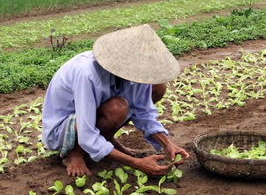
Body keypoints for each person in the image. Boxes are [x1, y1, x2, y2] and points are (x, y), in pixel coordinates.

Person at [41, 24, 190, 177]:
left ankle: (107, 139)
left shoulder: (138, 72)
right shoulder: (88, 74)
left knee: (157, 87)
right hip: (63, 128)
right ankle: (74, 153)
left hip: (95, 115)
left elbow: (143, 112)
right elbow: (86, 132)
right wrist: (136, 164)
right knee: (117, 108)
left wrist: (167, 144)